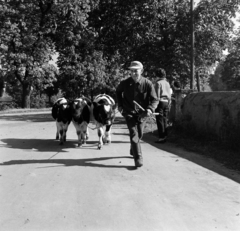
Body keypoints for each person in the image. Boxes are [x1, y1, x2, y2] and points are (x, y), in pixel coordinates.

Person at [116, 61, 158, 168]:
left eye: (136, 71)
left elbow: (155, 99)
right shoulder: (125, 83)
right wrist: (120, 106)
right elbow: (117, 92)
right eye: (132, 71)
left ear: (141, 71)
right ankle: (138, 157)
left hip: (142, 114)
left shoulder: (147, 83)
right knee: (134, 132)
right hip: (129, 112)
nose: (134, 73)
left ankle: (133, 147)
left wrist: (150, 109)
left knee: (139, 133)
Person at [154, 68, 172, 143]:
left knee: (159, 120)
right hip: (167, 102)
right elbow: (169, 94)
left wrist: (154, 104)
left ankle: (161, 137)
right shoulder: (167, 83)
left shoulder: (158, 83)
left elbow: (156, 95)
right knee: (165, 119)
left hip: (160, 102)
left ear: (157, 75)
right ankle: (165, 135)